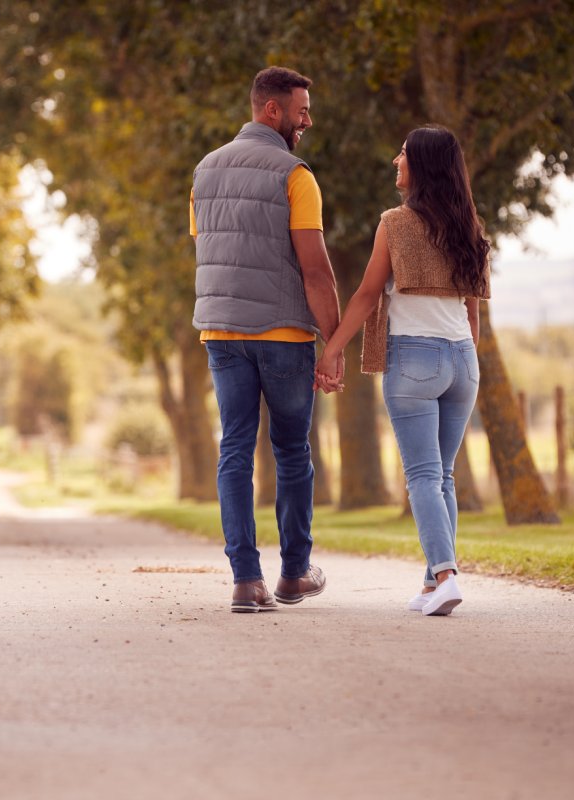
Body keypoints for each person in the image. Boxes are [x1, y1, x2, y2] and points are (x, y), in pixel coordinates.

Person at [316, 125, 491, 617]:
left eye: (404, 154)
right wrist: (463, 357)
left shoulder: (395, 223)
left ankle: (445, 574)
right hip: (463, 359)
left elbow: (368, 295)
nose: (396, 161)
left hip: (415, 358)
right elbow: (473, 312)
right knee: (444, 477)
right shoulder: (470, 229)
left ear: (421, 166)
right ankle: (433, 581)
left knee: (421, 476)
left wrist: (332, 349)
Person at [191, 66, 344, 613]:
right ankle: (295, 573)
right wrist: (334, 342)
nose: (307, 121)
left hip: (221, 332)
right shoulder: (294, 174)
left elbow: (213, 247)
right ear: (272, 110)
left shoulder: (204, 171)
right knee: (291, 451)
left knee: (234, 449)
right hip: (281, 333)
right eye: (301, 111)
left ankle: (245, 582)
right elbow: (317, 270)